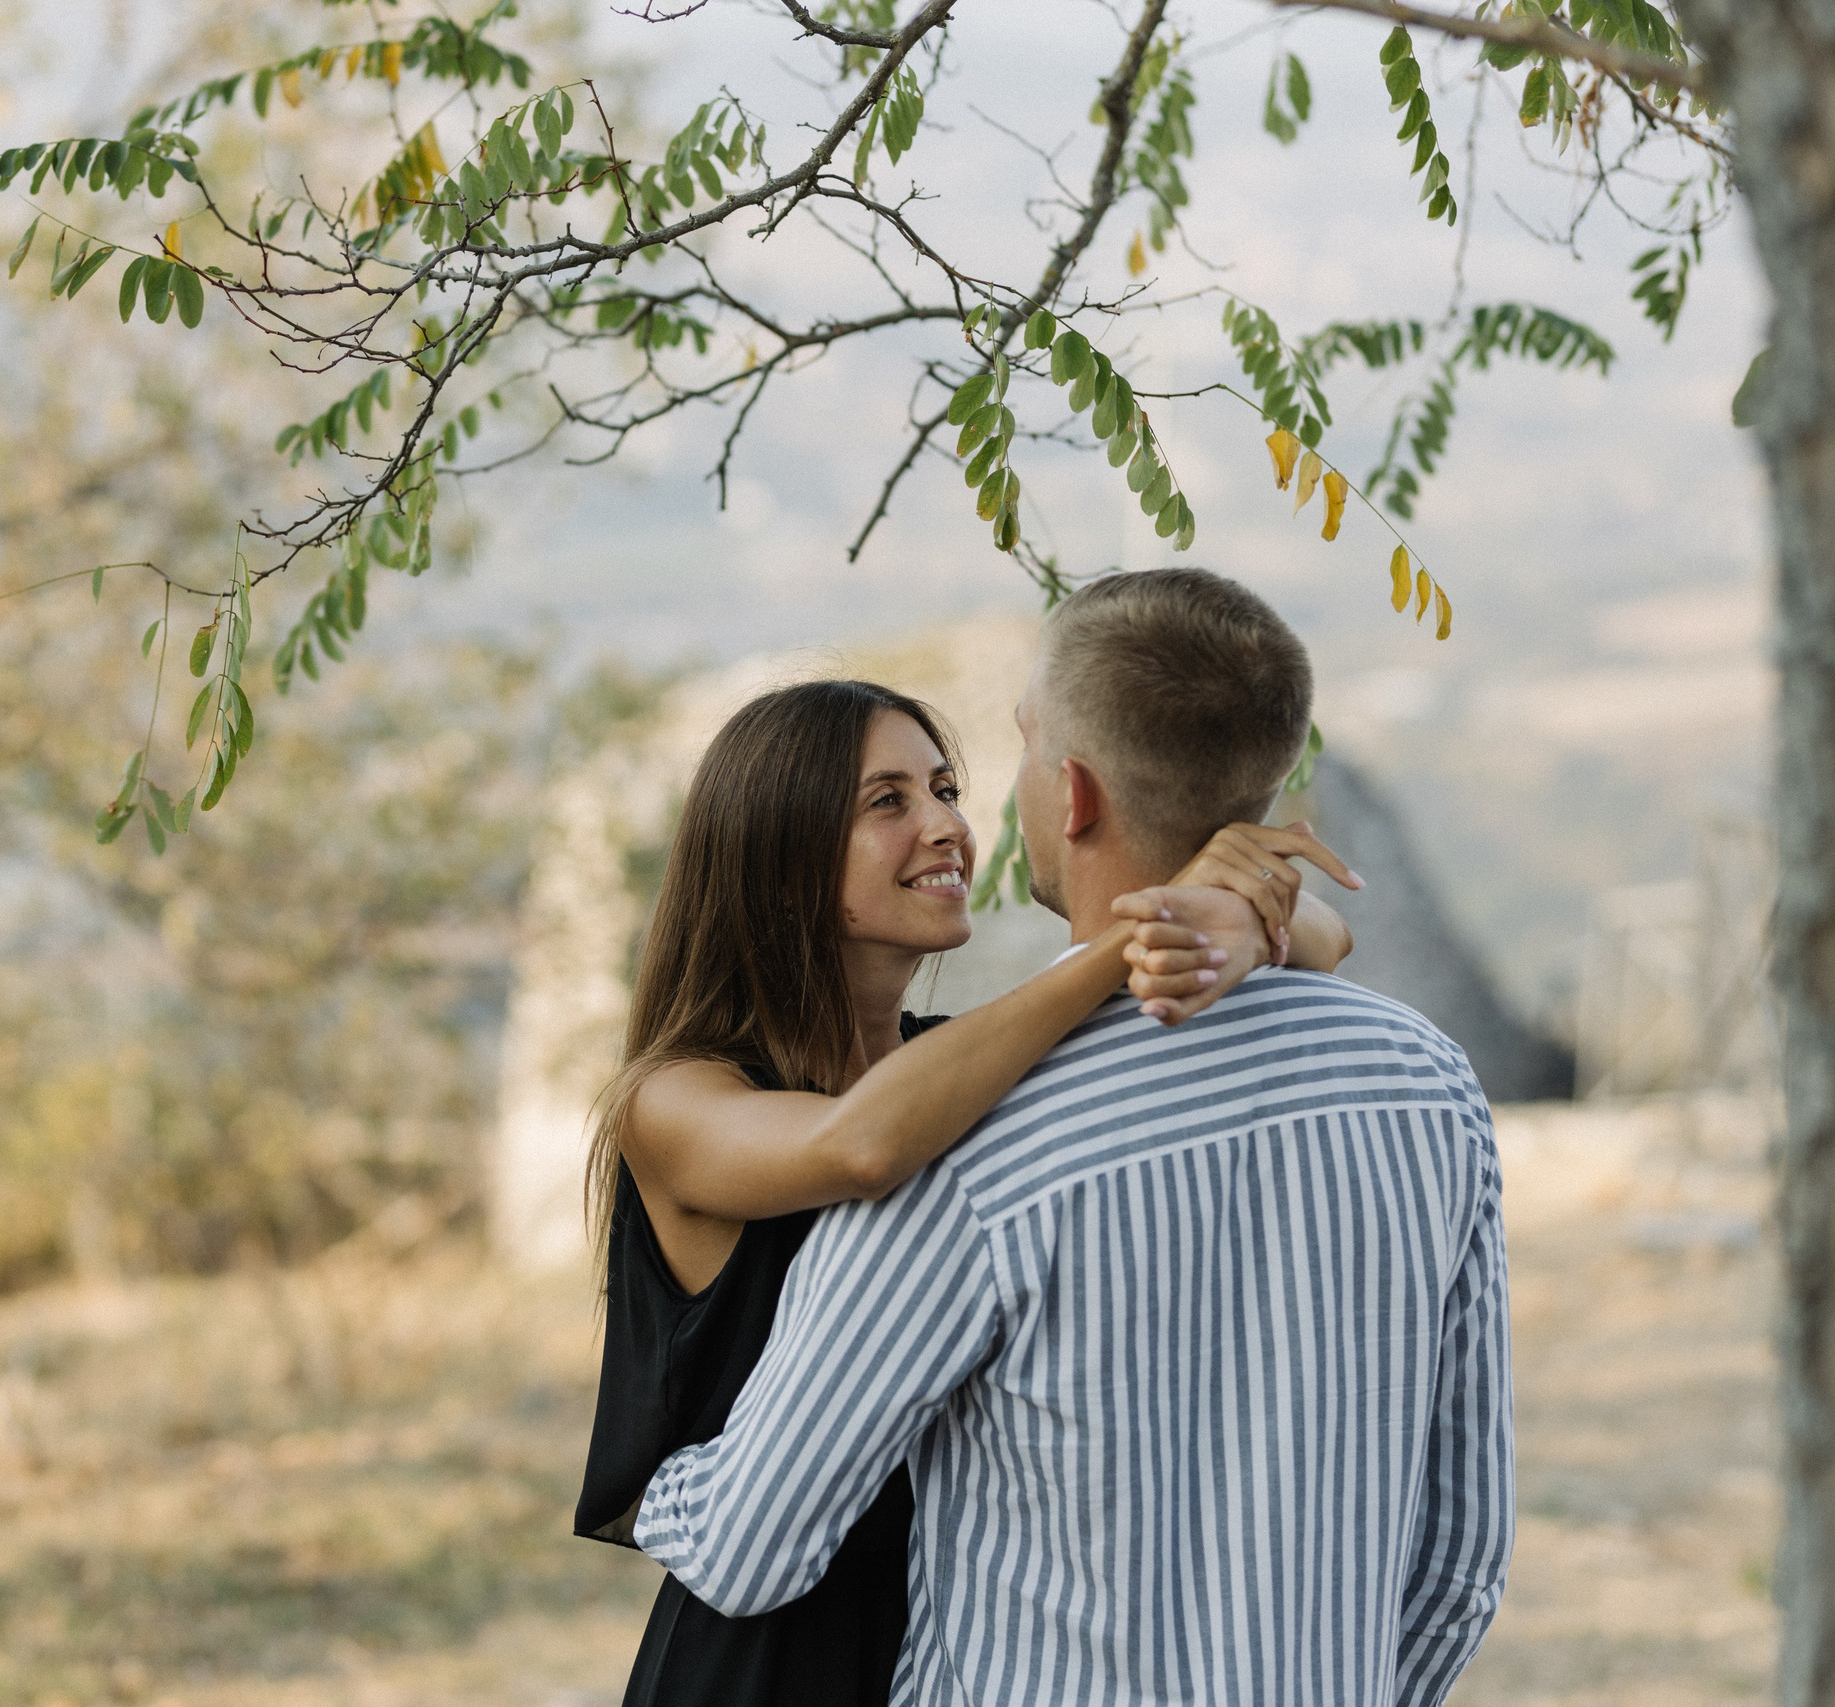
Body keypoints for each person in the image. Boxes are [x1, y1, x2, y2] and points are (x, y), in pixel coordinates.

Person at [632, 569, 1514, 1707]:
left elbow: (742, 1545)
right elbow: (1455, 1563)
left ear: (1074, 792)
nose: (954, 819)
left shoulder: (970, 1145)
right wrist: (1185, 925)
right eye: (886, 801)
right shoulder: (1427, 1086)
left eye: (966, 774)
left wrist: (653, 1492)